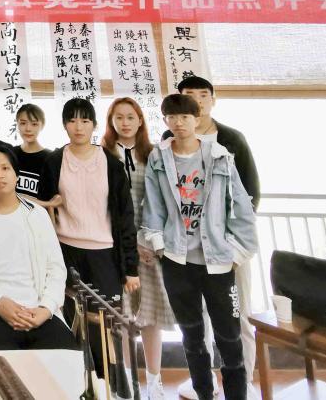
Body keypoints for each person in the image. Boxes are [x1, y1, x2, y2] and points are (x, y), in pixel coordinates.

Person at [143, 94, 258, 400]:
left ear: (197, 119)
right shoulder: (159, 158)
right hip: (177, 261)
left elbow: (241, 206)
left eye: (185, 117)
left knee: (229, 338)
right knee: (192, 338)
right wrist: (159, 246)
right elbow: (153, 207)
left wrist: (237, 253)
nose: (178, 123)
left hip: (218, 261)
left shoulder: (220, 156)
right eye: (172, 117)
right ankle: (204, 393)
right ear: (165, 120)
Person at [40, 97, 139, 383]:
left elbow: (125, 217)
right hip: (65, 251)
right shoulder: (54, 161)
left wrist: (130, 268)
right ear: (64, 125)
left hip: (104, 253)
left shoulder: (111, 163)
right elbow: (44, 211)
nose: (78, 127)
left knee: (107, 325)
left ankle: (113, 386)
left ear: (94, 125)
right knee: (73, 323)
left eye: (85, 120)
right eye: (72, 120)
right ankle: (79, 385)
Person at [0, 147, 77, 351]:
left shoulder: (37, 215)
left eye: (5, 168)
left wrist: (46, 308)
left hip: (39, 310)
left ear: (16, 175)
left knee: (65, 359)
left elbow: (56, 268)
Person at [102, 97, 174, 400]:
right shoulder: (103, 154)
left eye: (130, 117)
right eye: (119, 117)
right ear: (111, 121)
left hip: (148, 247)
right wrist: (125, 244)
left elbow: (161, 203)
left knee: (151, 317)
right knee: (121, 318)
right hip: (115, 246)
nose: (125, 122)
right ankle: (127, 382)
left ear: (140, 120)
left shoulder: (153, 154)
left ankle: (155, 381)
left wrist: (147, 242)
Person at [11, 103, 51, 199]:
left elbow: (51, 198)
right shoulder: (10, 153)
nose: (28, 129)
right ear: (17, 124)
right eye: (23, 123)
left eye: (34, 124)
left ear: (42, 125)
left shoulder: (51, 158)